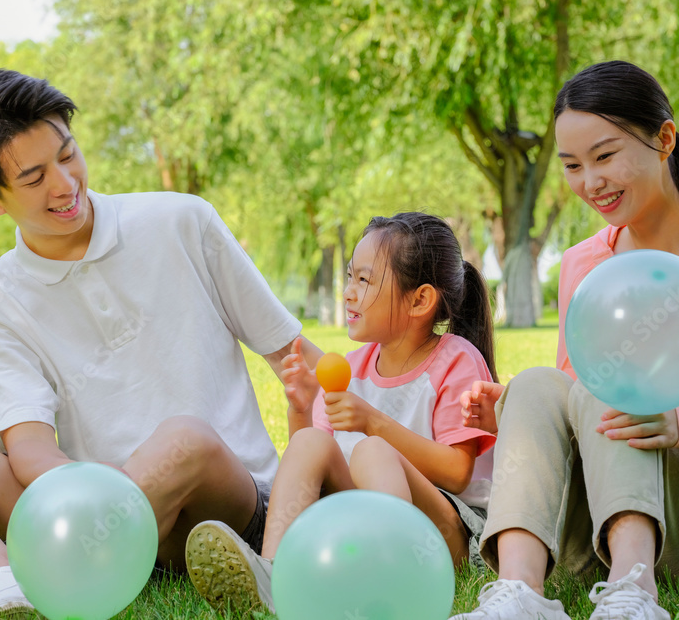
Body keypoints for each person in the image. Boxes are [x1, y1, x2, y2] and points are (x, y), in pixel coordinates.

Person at [0, 69, 322, 620]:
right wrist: (99, 504)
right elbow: (33, 452)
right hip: (89, 513)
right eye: (35, 178)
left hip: (223, 504)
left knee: (184, 439)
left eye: (68, 155)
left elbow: (294, 357)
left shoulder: (181, 221)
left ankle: (56, 571)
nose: (65, 185)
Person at [453, 60, 679, 620]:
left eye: (606, 156)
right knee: (542, 385)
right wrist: (516, 414)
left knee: (615, 385)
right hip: (599, 527)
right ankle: (519, 596)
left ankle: (635, 594)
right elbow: (574, 398)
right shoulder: (582, 265)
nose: (590, 182)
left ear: (664, 139)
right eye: (572, 166)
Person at [184, 212, 499, 613]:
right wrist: (299, 409)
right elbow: (313, 467)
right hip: (363, 522)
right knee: (313, 441)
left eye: (364, 280)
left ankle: (393, 580)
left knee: (372, 451)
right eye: (350, 277)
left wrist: (374, 424)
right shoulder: (350, 367)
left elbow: (458, 472)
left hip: (445, 535)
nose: (348, 292)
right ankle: (274, 573)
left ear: (420, 300)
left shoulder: (454, 360)